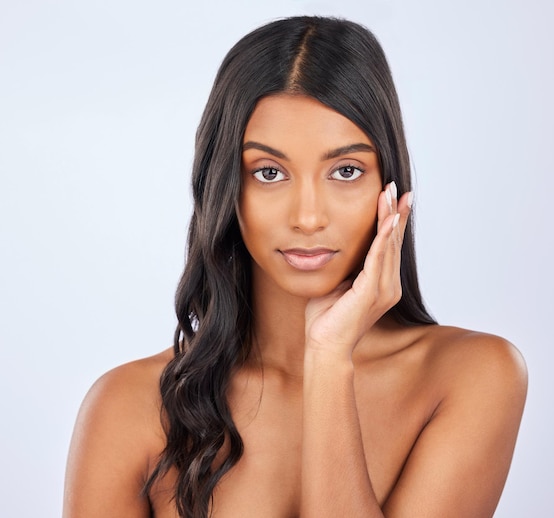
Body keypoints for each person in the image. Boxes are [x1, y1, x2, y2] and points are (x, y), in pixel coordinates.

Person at [63, 15, 527, 518]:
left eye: (346, 171)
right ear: (224, 189)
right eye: (269, 172)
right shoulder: (129, 408)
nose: (308, 217)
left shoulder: (472, 376)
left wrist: (328, 358)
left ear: (388, 185)